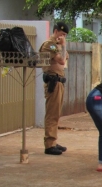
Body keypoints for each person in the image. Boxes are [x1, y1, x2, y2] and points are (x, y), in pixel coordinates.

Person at [38, 22, 70, 155]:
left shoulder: (57, 46)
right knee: (52, 113)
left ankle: (53, 141)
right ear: (56, 31)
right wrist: (62, 45)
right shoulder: (49, 44)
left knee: (56, 113)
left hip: (59, 81)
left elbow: (64, 59)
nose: (63, 37)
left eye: (65, 36)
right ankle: (49, 144)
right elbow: (62, 60)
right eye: (62, 34)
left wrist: (62, 46)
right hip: (53, 80)